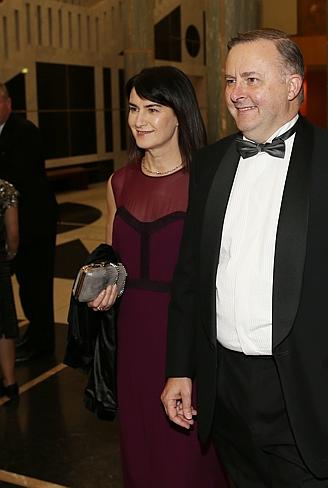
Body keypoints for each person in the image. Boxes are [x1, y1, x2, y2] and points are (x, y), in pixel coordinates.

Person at [161, 28, 328, 488]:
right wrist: (179, 368)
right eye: (230, 81)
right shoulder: (211, 163)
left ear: (292, 86)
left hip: (307, 397)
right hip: (225, 391)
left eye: (251, 79)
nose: (237, 94)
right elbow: (190, 278)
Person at [88, 66, 227, 487]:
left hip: (187, 336)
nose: (138, 120)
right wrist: (104, 284)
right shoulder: (119, 182)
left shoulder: (209, 181)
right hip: (132, 336)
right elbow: (115, 256)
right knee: (140, 446)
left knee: (187, 459)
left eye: (152, 108)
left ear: (180, 114)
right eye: (132, 108)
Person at [0, 83, 58, 362]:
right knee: (25, 286)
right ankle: (33, 335)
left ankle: (43, 343)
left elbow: (20, 179)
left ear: (8, 103)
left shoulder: (24, 132)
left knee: (38, 286)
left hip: (35, 225)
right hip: (15, 226)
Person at [0, 179, 19, 399]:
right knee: (5, 326)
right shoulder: (5, 189)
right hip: (0, 264)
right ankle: (10, 382)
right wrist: (10, 253)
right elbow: (13, 235)